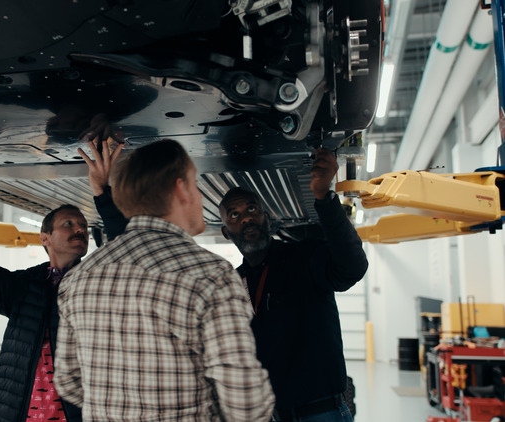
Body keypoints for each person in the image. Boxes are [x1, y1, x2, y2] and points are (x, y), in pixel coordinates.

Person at [54, 139, 275, 421]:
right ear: (181, 188)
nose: (199, 197)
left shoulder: (78, 278)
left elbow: (69, 382)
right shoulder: (210, 275)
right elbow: (245, 402)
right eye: (195, 185)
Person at [0, 139, 123, 422]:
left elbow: (130, 251)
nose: (80, 229)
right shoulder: (23, 288)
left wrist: (102, 191)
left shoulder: (99, 283)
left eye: (83, 226)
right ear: (45, 239)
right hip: (18, 413)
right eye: (69, 224)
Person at [217, 147, 368, 422]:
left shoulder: (304, 258)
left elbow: (352, 268)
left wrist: (324, 198)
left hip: (321, 413)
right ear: (226, 232)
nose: (247, 218)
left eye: (252, 209)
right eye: (235, 215)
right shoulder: (232, 284)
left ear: (267, 217)